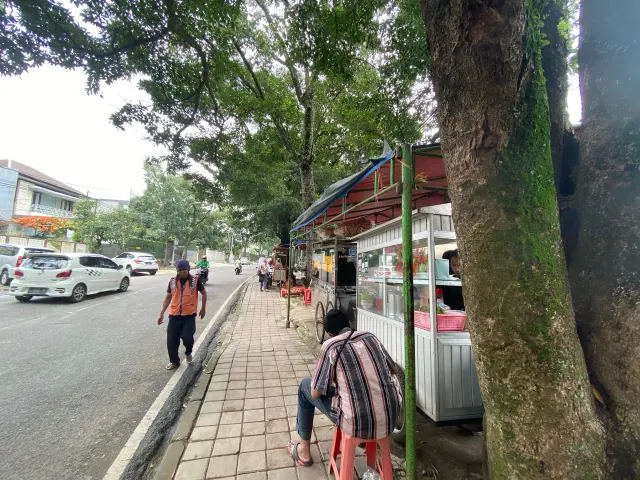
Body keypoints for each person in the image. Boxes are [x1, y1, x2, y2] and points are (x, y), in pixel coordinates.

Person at [288, 309, 402, 467]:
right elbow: (393, 369)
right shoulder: (370, 337)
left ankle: (304, 452)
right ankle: (365, 443)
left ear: (329, 333)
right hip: (390, 417)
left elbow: (315, 393)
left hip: (357, 422)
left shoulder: (331, 346)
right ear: (349, 324)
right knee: (349, 391)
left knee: (305, 387)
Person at [157, 259, 207, 370]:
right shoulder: (172, 281)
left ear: (188, 270)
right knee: (171, 339)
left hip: (189, 316)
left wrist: (203, 308)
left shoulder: (195, 280)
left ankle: (188, 352)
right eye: (179, 270)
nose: (181, 272)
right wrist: (161, 314)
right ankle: (174, 361)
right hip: (174, 316)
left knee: (187, 338)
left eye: (183, 270)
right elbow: (168, 297)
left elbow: (203, 293)